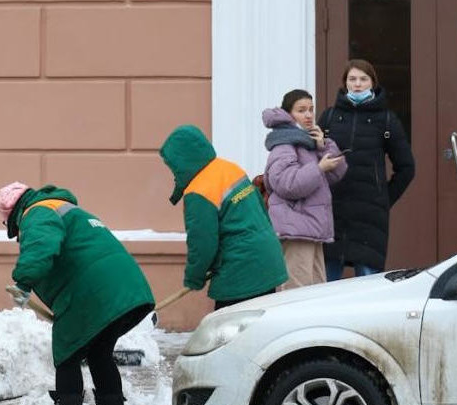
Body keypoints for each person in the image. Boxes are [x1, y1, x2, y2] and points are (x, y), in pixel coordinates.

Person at [0, 182, 154, 405]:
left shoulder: (37, 213)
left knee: (67, 354)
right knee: (99, 354)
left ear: (11, 214)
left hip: (91, 293)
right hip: (123, 289)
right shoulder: (62, 207)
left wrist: (22, 283)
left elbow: (41, 247)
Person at [158, 125, 287, 309]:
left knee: (229, 333)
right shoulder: (229, 168)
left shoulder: (199, 191)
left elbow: (203, 242)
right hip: (267, 261)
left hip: (241, 272)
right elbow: (261, 211)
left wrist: (194, 276)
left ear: (182, 160)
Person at [318, 59, 415, 280]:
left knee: (368, 284)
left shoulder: (387, 120)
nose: (358, 84)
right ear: (345, 83)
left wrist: (383, 199)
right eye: (352, 79)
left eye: (363, 79)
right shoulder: (329, 117)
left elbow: (407, 168)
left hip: (370, 216)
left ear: (372, 83)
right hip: (333, 210)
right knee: (325, 287)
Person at [263, 89, 348, 289]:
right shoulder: (284, 145)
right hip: (295, 231)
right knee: (296, 292)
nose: (309, 115)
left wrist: (323, 146)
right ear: (288, 114)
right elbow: (286, 184)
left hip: (312, 229)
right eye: (301, 110)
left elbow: (337, 173)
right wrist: (318, 168)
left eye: (311, 109)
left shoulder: (307, 142)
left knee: (315, 292)